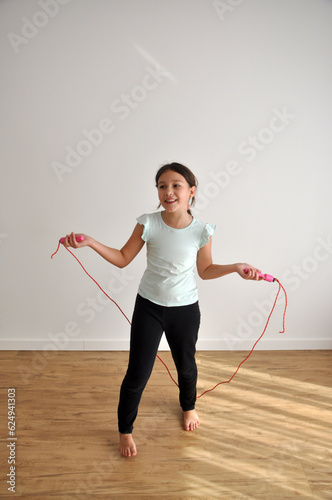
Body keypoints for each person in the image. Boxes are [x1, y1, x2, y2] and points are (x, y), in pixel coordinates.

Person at [63, 162, 262, 458]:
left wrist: (235, 268)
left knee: (187, 367)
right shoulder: (148, 223)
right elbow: (121, 258)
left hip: (185, 311)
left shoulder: (202, 231)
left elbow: (205, 270)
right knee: (137, 374)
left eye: (176, 185)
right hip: (149, 308)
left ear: (191, 192)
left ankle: (188, 407)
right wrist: (91, 242)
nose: (168, 192)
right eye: (162, 186)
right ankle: (125, 430)